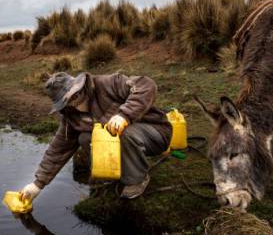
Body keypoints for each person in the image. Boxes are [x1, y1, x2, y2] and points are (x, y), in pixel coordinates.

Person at [19, 71, 172, 203]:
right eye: (67, 101)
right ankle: (114, 173)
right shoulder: (70, 116)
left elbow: (146, 85)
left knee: (122, 133)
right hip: (126, 143)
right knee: (85, 138)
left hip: (155, 132)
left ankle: (137, 180)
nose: (73, 102)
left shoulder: (107, 83)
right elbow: (58, 150)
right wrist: (37, 185)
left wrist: (125, 115)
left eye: (74, 95)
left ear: (79, 86)